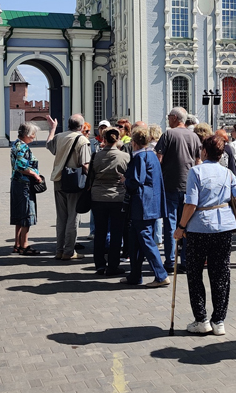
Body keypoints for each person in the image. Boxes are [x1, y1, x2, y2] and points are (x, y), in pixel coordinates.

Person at [174, 134, 236, 334]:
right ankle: (219, 320)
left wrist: (181, 226)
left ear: (204, 152)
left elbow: (191, 204)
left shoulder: (196, 172)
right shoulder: (227, 173)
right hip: (223, 226)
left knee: (195, 273)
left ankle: (201, 319)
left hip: (199, 227)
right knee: (221, 274)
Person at [155, 107, 201, 274]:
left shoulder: (168, 134)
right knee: (187, 223)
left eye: (169, 117)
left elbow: (158, 160)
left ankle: (170, 260)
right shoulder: (194, 136)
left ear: (175, 118)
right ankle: (186, 261)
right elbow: (198, 162)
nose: (168, 119)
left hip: (170, 185)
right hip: (189, 186)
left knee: (170, 224)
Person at [123, 126, 169, 287]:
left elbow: (136, 180)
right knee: (135, 239)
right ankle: (135, 275)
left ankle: (161, 274)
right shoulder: (152, 155)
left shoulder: (139, 157)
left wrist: (124, 181)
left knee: (145, 237)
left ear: (134, 143)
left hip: (142, 204)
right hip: (152, 202)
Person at [88, 127, 129, 275]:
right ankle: (113, 265)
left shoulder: (96, 156)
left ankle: (99, 264)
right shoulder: (125, 156)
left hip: (98, 196)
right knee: (117, 232)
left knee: (100, 232)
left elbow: (91, 175)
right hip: (118, 197)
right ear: (118, 139)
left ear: (103, 139)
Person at [49, 113, 90, 261]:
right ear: (81, 126)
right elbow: (85, 165)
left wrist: (52, 129)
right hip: (74, 181)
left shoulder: (60, 136)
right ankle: (69, 251)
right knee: (73, 217)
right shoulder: (82, 140)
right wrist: (92, 181)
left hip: (58, 179)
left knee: (61, 218)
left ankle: (59, 250)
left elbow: (49, 146)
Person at [10, 122, 43, 256]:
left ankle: (17, 244)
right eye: (33, 134)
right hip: (24, 184)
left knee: (19, 215)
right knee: (26, 214)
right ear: (27, 135)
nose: (34, 137)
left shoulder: (16, 144)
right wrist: (35, 174)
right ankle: (24, 245)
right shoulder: (23, 147)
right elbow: (21, 166)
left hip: (16, 183)